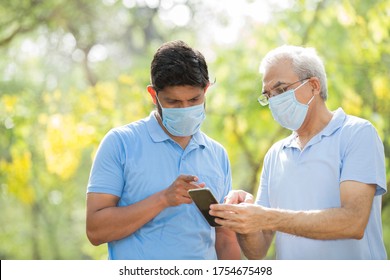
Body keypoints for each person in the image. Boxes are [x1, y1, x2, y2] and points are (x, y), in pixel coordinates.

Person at [210, 45, 387, 260]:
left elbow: (353, 222)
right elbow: (256, 251)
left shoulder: (356, 133)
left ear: (313, 86)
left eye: (281, 90)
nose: (274, 100)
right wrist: (243, 218)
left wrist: (268, 217)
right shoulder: (275, 154)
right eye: (268, 95)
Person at [86, 40, 240, 260]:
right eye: (174, 102)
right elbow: (95, 231)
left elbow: (225, 239)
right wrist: (163, 199)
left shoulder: (217, 154)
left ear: (206, 89)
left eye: (194, 99)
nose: (185, 108)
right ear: (153, 95)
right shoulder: (120, 143)